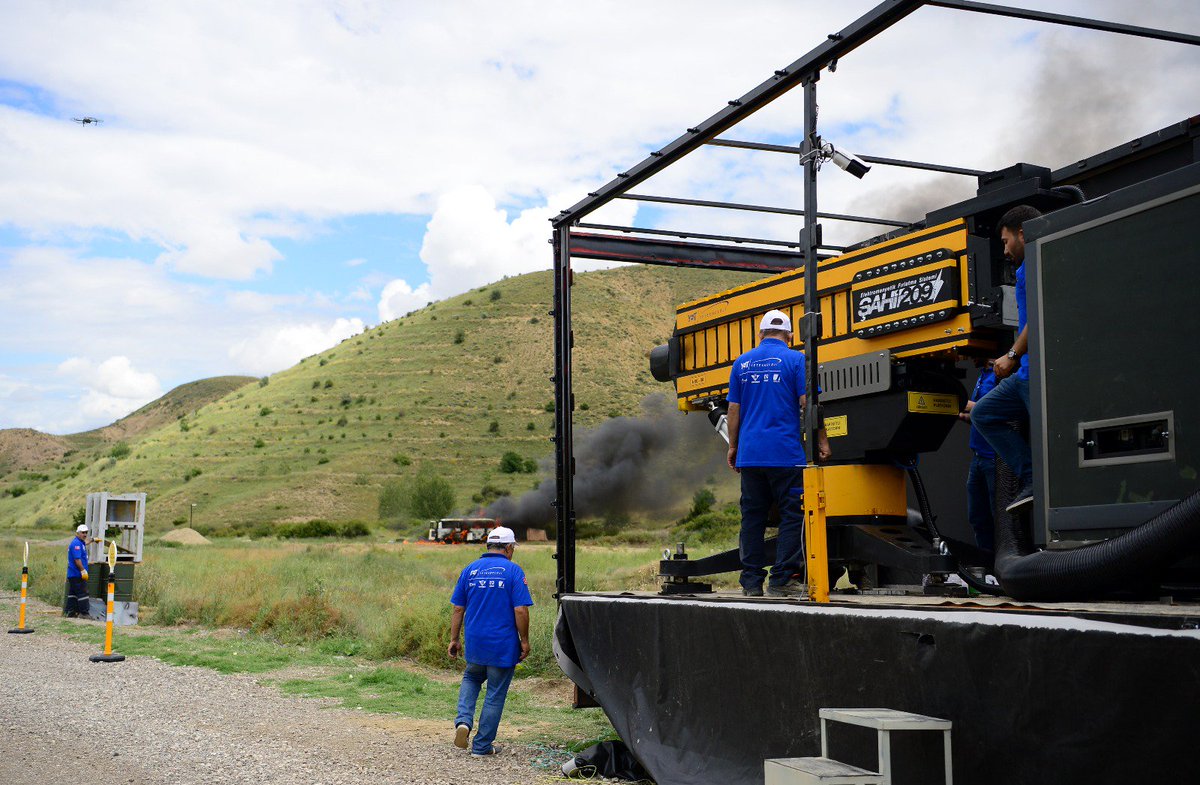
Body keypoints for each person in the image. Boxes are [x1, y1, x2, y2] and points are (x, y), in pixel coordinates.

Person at [726, 309, 831, 598]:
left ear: (760, 335)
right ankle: (782, 580)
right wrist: (822, 440)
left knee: (753, 518)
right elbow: (808, 402)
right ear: (789, 335)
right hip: (785, 454)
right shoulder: (797, 360)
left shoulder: (741, 363)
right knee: (792, 516)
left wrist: (734, 446)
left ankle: (750, 583)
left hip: (751, 455)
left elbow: (733, 409)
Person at [971, 204, 1041, 513]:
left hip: (1035, 373)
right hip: (1024, 374)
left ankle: (1040, 482)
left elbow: (1040, 316)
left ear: (1022, 235)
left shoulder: (1037, 264)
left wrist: (1012, 355)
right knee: (983, 413)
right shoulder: (1027, 269)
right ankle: (1031, 478)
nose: (1004, 249)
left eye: (1004, 241)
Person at [447, 525, 533, 757]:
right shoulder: (513, 571)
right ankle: (482, 746)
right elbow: (521, 611)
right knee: (495, 693)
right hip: (502, 645)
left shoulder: (470, 570)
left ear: (488, 546)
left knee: (471, 677)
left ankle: (463, 722)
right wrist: (524, 640)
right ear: (508, 548)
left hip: (475, 643)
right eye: (512, 547)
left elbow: (458, 608)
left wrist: (455, 639)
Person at [959, 360, 998, 550]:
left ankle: (1004, 565)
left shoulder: (1002, 373)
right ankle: (987, 565)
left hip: (995, 458)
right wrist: (962, 415)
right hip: (978, 456)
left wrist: (963, 404)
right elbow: (979, 416)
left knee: (1000, 517)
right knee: (977, 516)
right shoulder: (983, 374)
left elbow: (995, 409)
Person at [65, 523, 90, 618]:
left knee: (73, 593)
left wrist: (92, 540)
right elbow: (77, 560)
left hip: (73, 574)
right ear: (78, 533)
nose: (85, 534)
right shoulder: (76, 544)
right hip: (77, 573)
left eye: (86, 533)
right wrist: (83, 570)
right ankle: (84, 613)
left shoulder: (80, 542)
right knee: (83, 592)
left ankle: (70, 612)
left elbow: (85, 543)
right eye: (83, 533)